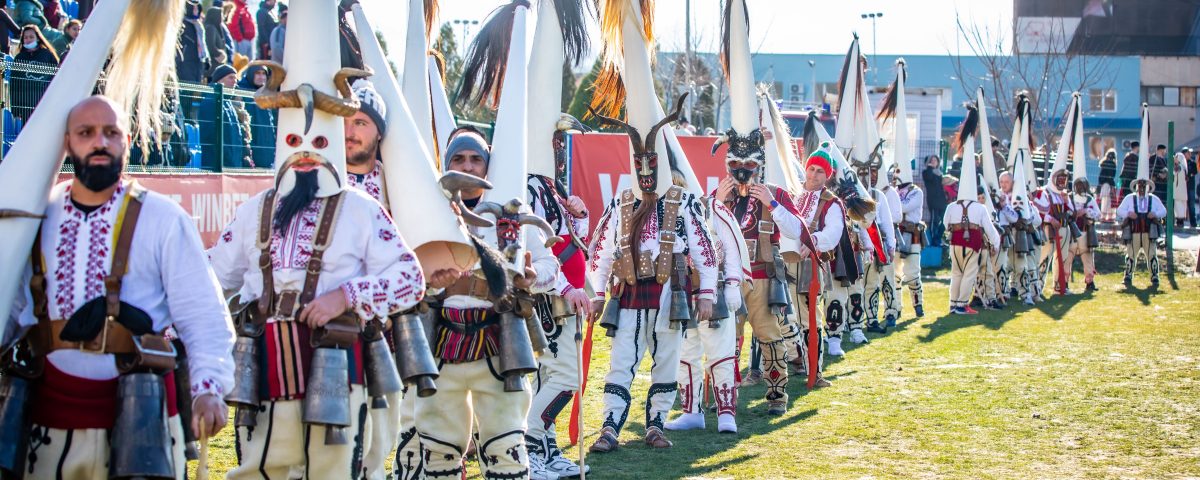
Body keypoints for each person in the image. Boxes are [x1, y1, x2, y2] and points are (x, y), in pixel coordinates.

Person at [210, 4, 426, 476]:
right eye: (294, 144)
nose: (306, 155)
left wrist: (345, 295)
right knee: (262, 470)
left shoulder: (362, 209)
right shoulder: (254, 210)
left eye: (319, 143)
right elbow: (212, 279)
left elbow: (411, 279)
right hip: (266, 366)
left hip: (338, 364)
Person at [5, 95, 235, 479]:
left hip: (141, 418)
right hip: (46, 419)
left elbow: (202, 312)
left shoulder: (164, 217)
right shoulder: (33, 216)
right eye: (86, 133)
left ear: (127, 142)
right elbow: (10, 310)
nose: (100, 142)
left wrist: (209, 387)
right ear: (66, 143)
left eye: (111, 133)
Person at [943, 111, 1000, 314]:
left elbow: (946, 224)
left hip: (955, 243)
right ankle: (961, 304)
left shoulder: (952, 207)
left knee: (956, 273)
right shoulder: (979, 208)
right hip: (972, 244)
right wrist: (995, 244)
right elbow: (990, 229)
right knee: (969, 273)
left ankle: (953, 303)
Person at [1032, 169, 1076, 296]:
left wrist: (1067, 201)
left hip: (1064, 228)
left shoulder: (1063, 195)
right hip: (1049, 230)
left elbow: (1072, 213)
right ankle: (1037, 286)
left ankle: (1059, 286)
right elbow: (1037, 211)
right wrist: (1050, 219)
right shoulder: (1043, 192)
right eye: (1060, 179)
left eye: (1064, 179)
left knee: (1062, 258)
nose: (1062, 182)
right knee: (1044, 258)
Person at [197, 64, 248, 169]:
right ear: (219, 80)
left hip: (232, 164)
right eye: (231, 78)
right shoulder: (210, 102)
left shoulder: (228, 102)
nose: (235, 81)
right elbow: (210, 136)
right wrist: (227, 160)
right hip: (217, 165)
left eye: (236, 78)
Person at [897, 155, 927, 318]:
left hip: (912, 233)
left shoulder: (916, 192)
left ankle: (918, 304)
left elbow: (905, 207)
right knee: (895, 274)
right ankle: (895, 307)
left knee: (913, 273)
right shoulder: (893, 191)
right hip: (897, 233)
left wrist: (894, 203)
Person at [11, 25, 60, 123]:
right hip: (25, 105)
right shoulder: (19, 57)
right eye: (25, 37)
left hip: (44, 103)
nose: (28, 40)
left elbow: (56, 78)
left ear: (38, 38)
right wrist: (15, 109)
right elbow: (15, 84)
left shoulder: (48, 55)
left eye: (31, 37)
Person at [1066, 177, 1100, 291]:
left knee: (1087, 256)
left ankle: (1090, 282)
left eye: (1082, 185)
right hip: (1071, 233)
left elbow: (1098, 214)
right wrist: (1073, 213)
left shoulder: (1089, 199)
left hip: (1084, 232)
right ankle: (1064, 282)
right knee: (1067, 257)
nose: (1080, 187)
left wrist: (1086, 211)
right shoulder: (1069, 197)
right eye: (1078, 185)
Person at [239, 64, 275, 168]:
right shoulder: (241, 90)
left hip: (266, 145)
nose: (261, 77)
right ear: (251, 74)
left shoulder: (266, 93)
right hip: (249, 144)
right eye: (257, 73)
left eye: (264, 74)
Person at [923, 154, 948, 246]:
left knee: (945, 220)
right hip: (933, 201)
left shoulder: (940, 173)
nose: (934, 162)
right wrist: (930, 168)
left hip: (942, 200)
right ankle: (935, 240)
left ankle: (938, 237)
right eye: (932, 160)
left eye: (935, 160)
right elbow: (929, 178)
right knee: (935, 221)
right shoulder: (926, 172)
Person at [1098, 148, 1118, 222]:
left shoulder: (1104, 163)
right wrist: (1111, 184)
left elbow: (1101, 176)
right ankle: (1110, 217)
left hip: (1104, 184)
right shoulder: (1113, 164)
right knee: (1110, 201)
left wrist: (1100, 184)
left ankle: (1103, 216)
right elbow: (1112, 176)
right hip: (1110, 184)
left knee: (1104, 201)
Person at [1174, 151, 1189, 227]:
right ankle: (1181, 221)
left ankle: (1179, 221)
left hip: (1178, 190)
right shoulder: (1184, 167)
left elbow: (1173, 173)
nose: (1174, 159)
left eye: (1176, 158)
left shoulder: (1179, 167)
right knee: (1182, 206)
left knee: (1178, 205)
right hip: (1183, 190)